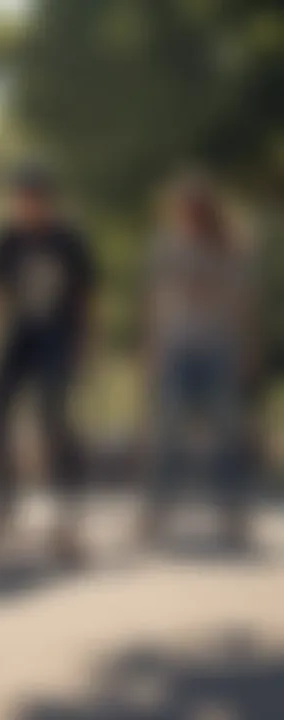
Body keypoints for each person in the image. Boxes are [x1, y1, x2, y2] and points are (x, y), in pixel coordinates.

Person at [0, 163, 96, 562]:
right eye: (19, 201)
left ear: (47, 202)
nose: (25, 208)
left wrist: (83, 345)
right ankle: (2, 500)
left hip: (58, 334)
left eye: (32, 201)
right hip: (19, 335)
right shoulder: (4, 240)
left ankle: (69, 503)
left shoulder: (69, 240)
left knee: (52, 414)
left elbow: (85, 299)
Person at [142, 173, 257, 549]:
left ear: (205, 211)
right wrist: (152, 351)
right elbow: (157, 303)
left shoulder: (228, 248)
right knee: (168, 430)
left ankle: (232, 512)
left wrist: (244, 350)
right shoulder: (168, 248)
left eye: (190, 209)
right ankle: (158, 511)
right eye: (179, 210)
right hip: (178, 348)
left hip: (218, 348)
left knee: (227, 431)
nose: (184, 216)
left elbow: (242, 304)